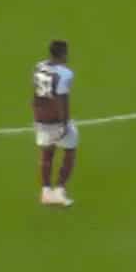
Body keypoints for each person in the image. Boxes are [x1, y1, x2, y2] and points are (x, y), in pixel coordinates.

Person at [33, 39, 78, 206]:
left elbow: (36, 92)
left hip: (41, 118)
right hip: (56, 120)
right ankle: (59, 189)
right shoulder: (65, 74)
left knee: (47, 154)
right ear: (63, 54)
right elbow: (61, 99)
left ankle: (45, 192)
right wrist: (64, 124)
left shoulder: (39, 67)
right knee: (70, 151)